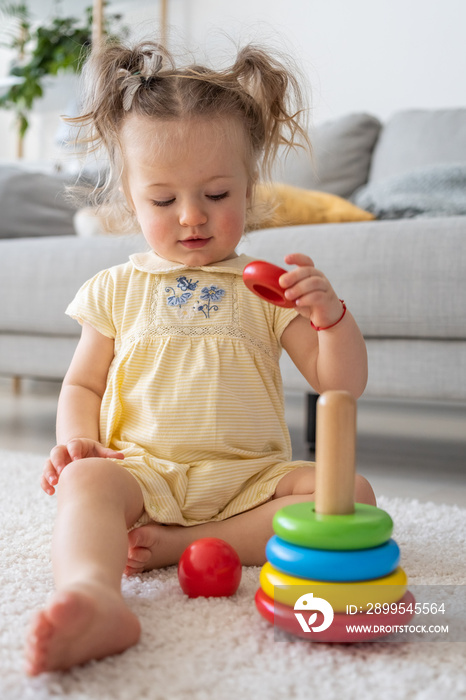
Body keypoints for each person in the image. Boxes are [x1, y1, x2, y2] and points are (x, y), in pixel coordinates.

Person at [25, 39, 375, 676]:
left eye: (217, 194)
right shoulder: (115, 288)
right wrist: (78, 443)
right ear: (130, 198)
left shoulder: (265, 287)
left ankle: (177, 547)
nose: (192, 218)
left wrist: (331, 318)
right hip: (146, 472)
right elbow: (81, 386)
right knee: (85, 484)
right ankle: (94, 596)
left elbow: (338, 382)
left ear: (249, 186)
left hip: (250, 482)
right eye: (163, 201)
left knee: (349, 490)